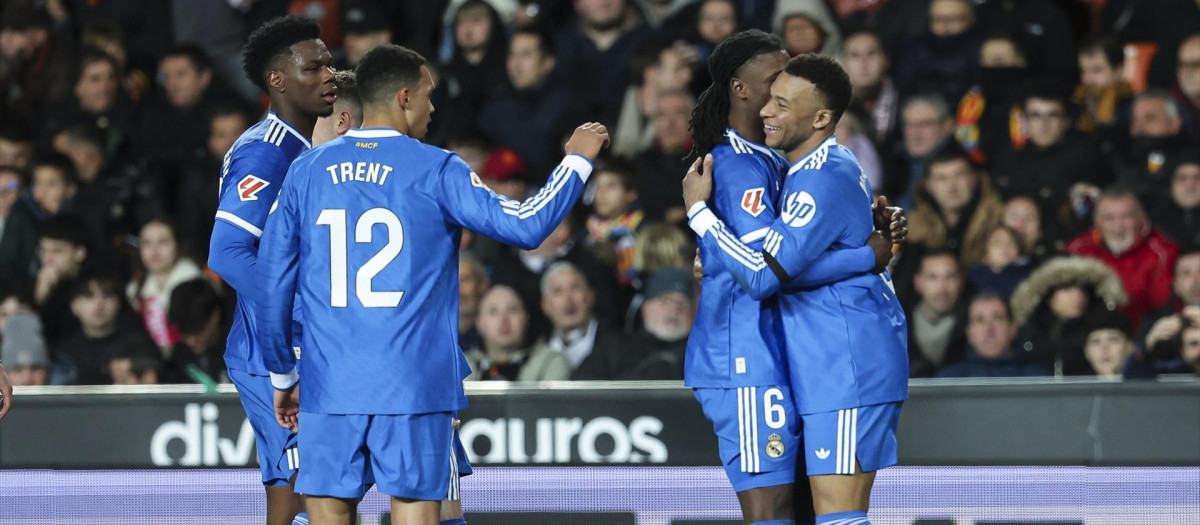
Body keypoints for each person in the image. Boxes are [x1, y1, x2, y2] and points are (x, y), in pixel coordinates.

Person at [255, 44, 609, 524]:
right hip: (414, 386)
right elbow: (527, 225)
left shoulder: (306, 171)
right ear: (404, 97)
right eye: (428, 95)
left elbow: (271, 284)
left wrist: (283, 375)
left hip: (329, 384)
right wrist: (577, 162)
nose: (433, 107)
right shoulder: (438, 168)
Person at [681, 29, 901, 524]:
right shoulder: (738, 168)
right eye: (776, 80)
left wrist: (863, 235)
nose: (783, 89)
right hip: (747, 358)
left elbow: (776, 259)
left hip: (799, 356)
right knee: (775, 514)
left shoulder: (788, 159)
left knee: (814, 511)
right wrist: (867, 256)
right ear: (741, 89)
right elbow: (763, 272)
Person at [205, 15, 337, 525]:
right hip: (273, 352)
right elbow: (227, 252)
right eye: (314, 67)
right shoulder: (267, 152)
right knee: (316, 492)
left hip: (291, 347)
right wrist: (297, 310)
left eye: (329, 64)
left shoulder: (306, 147)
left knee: (289, 487)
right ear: (277, 80)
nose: (329, 75)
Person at [1064, 187, 1179, 328]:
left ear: (1141, 218)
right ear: (1096, 221)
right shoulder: (1077, 250)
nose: (1118, 226)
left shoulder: (1163, 254)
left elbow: (1161, 308)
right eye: (1109, 218)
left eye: (1126, 217)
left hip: (1143, 333)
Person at [1009, 256, 1129, 376]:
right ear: (1048, 295)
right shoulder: (1030, 332)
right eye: (1067, 288)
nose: (1077, 295)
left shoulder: (1103, 327)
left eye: (1083, 289)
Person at [464, 285, 570, 381]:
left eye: (512, 310)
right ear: (479, 322)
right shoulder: (460, 366)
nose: (504, 320)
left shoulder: (550, 362)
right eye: (493, 312)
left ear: (526, 318)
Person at [127, 218, 202, 352]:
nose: (154, 250)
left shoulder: (196, 282)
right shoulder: (135, 289)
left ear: (177, 245)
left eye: (163, 242)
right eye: (147, 243)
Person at [937, 293, 1048, 378]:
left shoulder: (1037, 378)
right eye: (980, 320)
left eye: (997, 318)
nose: (989, 329)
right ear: (969, 334)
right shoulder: (949, 380)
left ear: (1013, 329)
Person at [907, 249, 968, 378]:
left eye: (950, 277)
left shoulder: (975, 323)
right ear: (918, 282)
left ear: (961, 281)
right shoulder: (896, 325)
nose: (942, 288)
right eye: (933, 277)